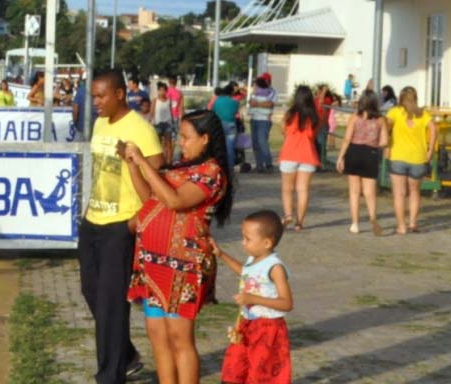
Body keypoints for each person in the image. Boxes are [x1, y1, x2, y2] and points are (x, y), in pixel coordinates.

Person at [124, 110, 233, 384]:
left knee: (180, 338)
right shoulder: (179, 167)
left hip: (183, 265)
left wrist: (144, 163)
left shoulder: (211, 173)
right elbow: (151, 198)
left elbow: (174, 201)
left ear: (205, 139)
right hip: (153, 260)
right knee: (158, 336)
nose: (181, 143)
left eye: (186, 137)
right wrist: (131, 165)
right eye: (180, 136)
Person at [81, 69, 163, 384]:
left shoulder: (140, 130)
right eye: (93, 97)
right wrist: (89, 210)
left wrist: (134, 221)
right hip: (93, 220)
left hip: (122, 225)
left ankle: (110, 376)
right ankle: (126, 355)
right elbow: (100, 171)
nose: (96, 102)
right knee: (91, 291)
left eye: (101, 96)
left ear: (119, 94)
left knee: (112, 302)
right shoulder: (101, 123)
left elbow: (157, 183)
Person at [213, 210, 294, 384]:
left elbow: (287, 303)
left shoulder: (275, 267)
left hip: (268, 328)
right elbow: (244, 272)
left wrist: (253, 299)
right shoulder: (253, 259)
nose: (243, 243)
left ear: (266, 242)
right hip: (246, 323)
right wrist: (220, 254)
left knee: (261, 371)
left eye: (247, 239)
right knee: (235, 365)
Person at [385, 86, 437, 234]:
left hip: (398, 157)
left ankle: (401, 225)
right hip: (418, 158)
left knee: (399, 193)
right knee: (415, 191)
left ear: (401, 98)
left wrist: (386, 145)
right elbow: (434, 128)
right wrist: (430, 149)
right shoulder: (423, 114)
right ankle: (413, 223)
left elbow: (386, 126)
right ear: (415, 98)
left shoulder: (394, 112)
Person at [335, 90, 388, 235]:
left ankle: (355, 223)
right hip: (371, 153)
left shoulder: (355, 117)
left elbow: (347, 139)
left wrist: (340, 157)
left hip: (354, 152)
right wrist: (375, 143)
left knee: (354, 191)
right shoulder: (381, 120)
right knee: (369, 192)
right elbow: (385, 141)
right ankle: (372, 217)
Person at [278, 86, 320, 232]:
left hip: (289, 154)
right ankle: (299, 222)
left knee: (287, 189)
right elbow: (314, 135)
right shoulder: (314, 116)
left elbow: (283, 130)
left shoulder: (289, 114)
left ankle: (288, 214)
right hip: (308, 155)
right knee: (303, 190)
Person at [247, 73, 277, 173]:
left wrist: (257, 104)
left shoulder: (272, 92)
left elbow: (270, 105)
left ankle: (268, 164)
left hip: (264, 120)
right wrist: (256, 103)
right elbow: (250, 102)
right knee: (255, 143)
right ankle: (259, 165)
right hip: (254, 119)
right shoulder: (255, 91)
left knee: (262, 142)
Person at [212, 82, 241, 170]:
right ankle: (230, 166)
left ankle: (220, 166)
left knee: (219, 147)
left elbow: (213, 112)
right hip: (231, 125)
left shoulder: (217, 101)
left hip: (219, 125)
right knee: (230, 148)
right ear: (231, 93)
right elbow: (235, 113)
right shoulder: (235, 102)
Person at [313, 84, 337, 170]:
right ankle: (316, 162)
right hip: (316, 124)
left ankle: (321, 163)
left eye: (320, 90)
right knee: (315, 144)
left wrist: (324, 91)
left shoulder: (327, 99)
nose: (318, 92)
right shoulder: (316, 98)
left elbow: (321, 103)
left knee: (321, 144)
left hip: (322, 124)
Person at [152, 82, 175, 164]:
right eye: (160, 90)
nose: (162, 92)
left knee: (168, 144)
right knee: (158, 144)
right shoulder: (155, 100)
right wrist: (150, 123)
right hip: (158, 124)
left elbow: (171, 112)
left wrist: (172, 122)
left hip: (168, 124)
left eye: (163, 90)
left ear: (166, 91)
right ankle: (159, 161)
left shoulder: (169, 100)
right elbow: (152, 112)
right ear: (158, 91)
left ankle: (169, 161)